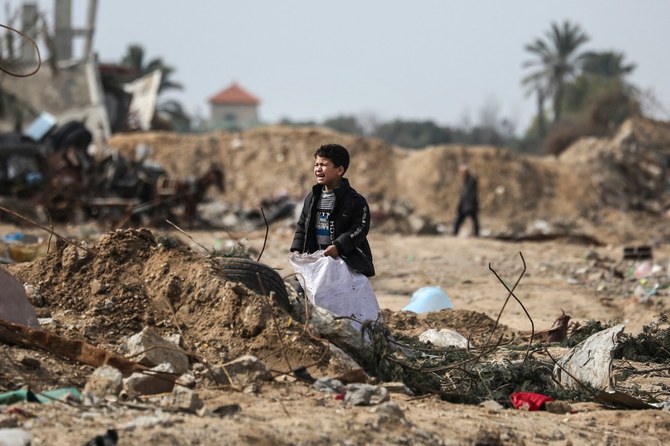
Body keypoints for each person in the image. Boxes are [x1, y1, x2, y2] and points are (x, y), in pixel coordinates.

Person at [290, 143, 375, 277]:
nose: (318, 169)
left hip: (346, 261)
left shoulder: (355, 200)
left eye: (323, 165)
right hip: (315, 259)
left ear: (339, 170)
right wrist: (296, 249)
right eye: (316, 165)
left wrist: (339, 247)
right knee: (303, 295)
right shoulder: (312, 198)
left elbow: (360, 228)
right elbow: (302, 226)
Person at [453, 163, 480, 237]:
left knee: (473, 219)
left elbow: (472, 194)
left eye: (463, 172)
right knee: (460, 219)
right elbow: (463, 193)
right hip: (464, 203)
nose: (462, 174)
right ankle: (455, 232)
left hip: (470, 204)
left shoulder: (472, 180)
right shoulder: (465, 180)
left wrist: (469, 204)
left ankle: (476, 233)